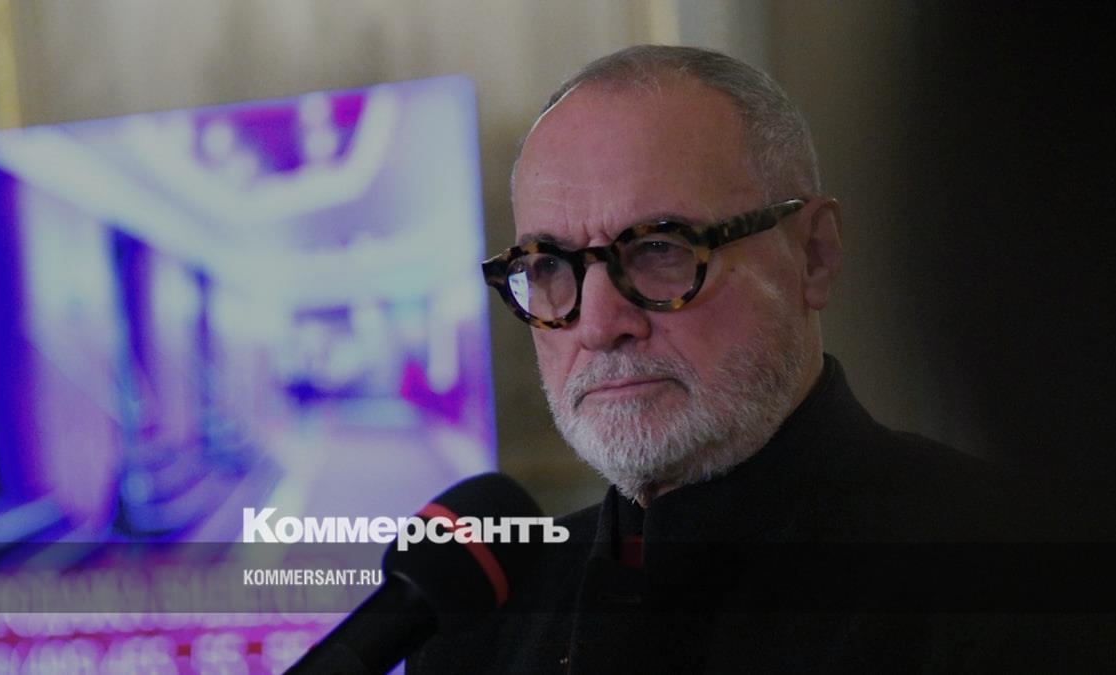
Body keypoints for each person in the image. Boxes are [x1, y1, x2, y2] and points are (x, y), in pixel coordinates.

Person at [408, 45, 1020, 673]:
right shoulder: (487, 623)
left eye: (660, 249)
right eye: (548, 266)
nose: (598, 325)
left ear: (813, 255)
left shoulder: (1008, 576)